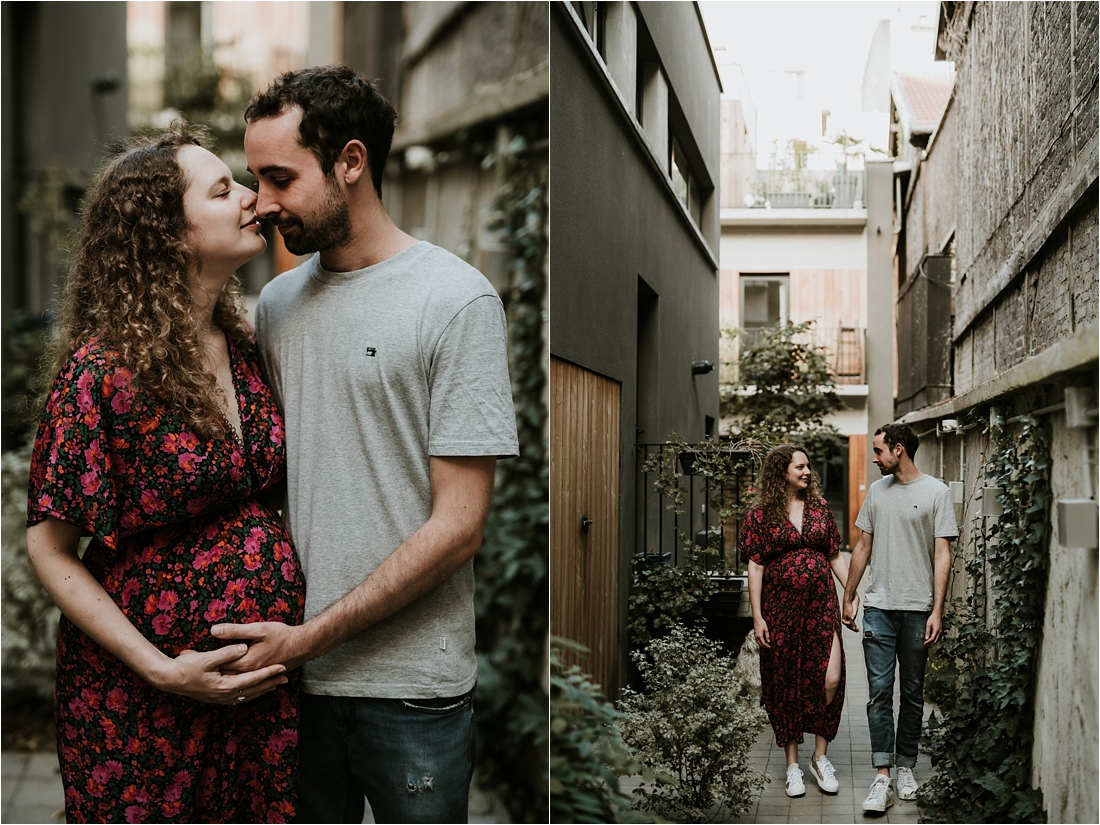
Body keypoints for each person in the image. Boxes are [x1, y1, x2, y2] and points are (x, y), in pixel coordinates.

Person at [209, 65, 520, 824]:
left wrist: (308, 637)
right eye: (255, 177)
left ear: (351, 162)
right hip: (291, 685)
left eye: (280, 176)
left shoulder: (455, 301)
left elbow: (460, 525)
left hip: (411, 689)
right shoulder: (276, 305)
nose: (263, 202)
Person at [25, 123, 305, 822]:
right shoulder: (101, 372)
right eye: (223, 189)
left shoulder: (242, 346)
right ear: (170, 235)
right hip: (141, 703)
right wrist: (160, 666)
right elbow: (49, 547)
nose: (251, 197)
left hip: (255, 702)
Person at [842, 423, 958, 813]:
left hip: (916, 608)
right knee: (878, 694)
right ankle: (882, 776)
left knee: (912, 693)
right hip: (878, 607)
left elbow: (943, 554)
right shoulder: (877, 492)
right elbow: (863, 546)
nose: (874, 458)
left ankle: (906, 765)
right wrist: (849, 594)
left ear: (898, 449)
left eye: (878, 451)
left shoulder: (937, 493)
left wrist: (937, 610)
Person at [740, 443, 856, 798]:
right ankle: (793, 764)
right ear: (782, 473)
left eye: (808, 466)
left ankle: (819, 757)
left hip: (821, 605)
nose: (807, 472)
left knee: (831, 678)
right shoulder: (760, 515)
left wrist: (850, 596)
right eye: (800, 467)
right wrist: (757, 616)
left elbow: (835, 555)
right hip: (780, 610)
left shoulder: (820, 508)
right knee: (786, 681)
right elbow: (755, 566)